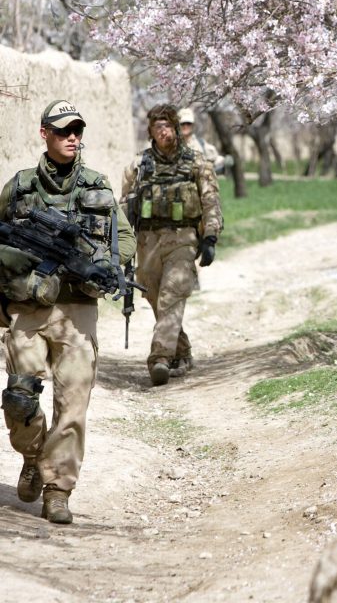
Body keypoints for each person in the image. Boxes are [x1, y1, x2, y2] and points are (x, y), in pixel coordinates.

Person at [0, 99, 136, 524]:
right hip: (26, 308)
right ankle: (33, 453)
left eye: (77, 129)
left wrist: (110, 267)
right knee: (20, 398)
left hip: (78, 311)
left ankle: (58, 489)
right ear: (45, 134)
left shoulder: (98, 186)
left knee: (73, 403)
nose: (72, 137)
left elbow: (124, 237)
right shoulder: (19, 187)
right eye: (63, 130)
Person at [121, 104, 222, 386]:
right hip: (148, 240)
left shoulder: (196, 162)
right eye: (157, 127)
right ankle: (182, 349)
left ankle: (159, 359)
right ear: (151, 131)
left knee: (172, 294)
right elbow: (124, 203)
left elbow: (211, 200)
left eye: (168, 125)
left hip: (183, 239)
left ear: (176, 128)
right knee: (154, 295)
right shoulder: (139, 165)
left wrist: (211, 236)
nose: (163, 131)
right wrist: (122, 239)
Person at [178, 107, 232, 175]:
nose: (185, 126)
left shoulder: (201, 144)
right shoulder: (171, 144)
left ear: (192, 125)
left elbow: (215, 159)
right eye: (182, 123)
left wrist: (224, 161)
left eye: (188, 123)